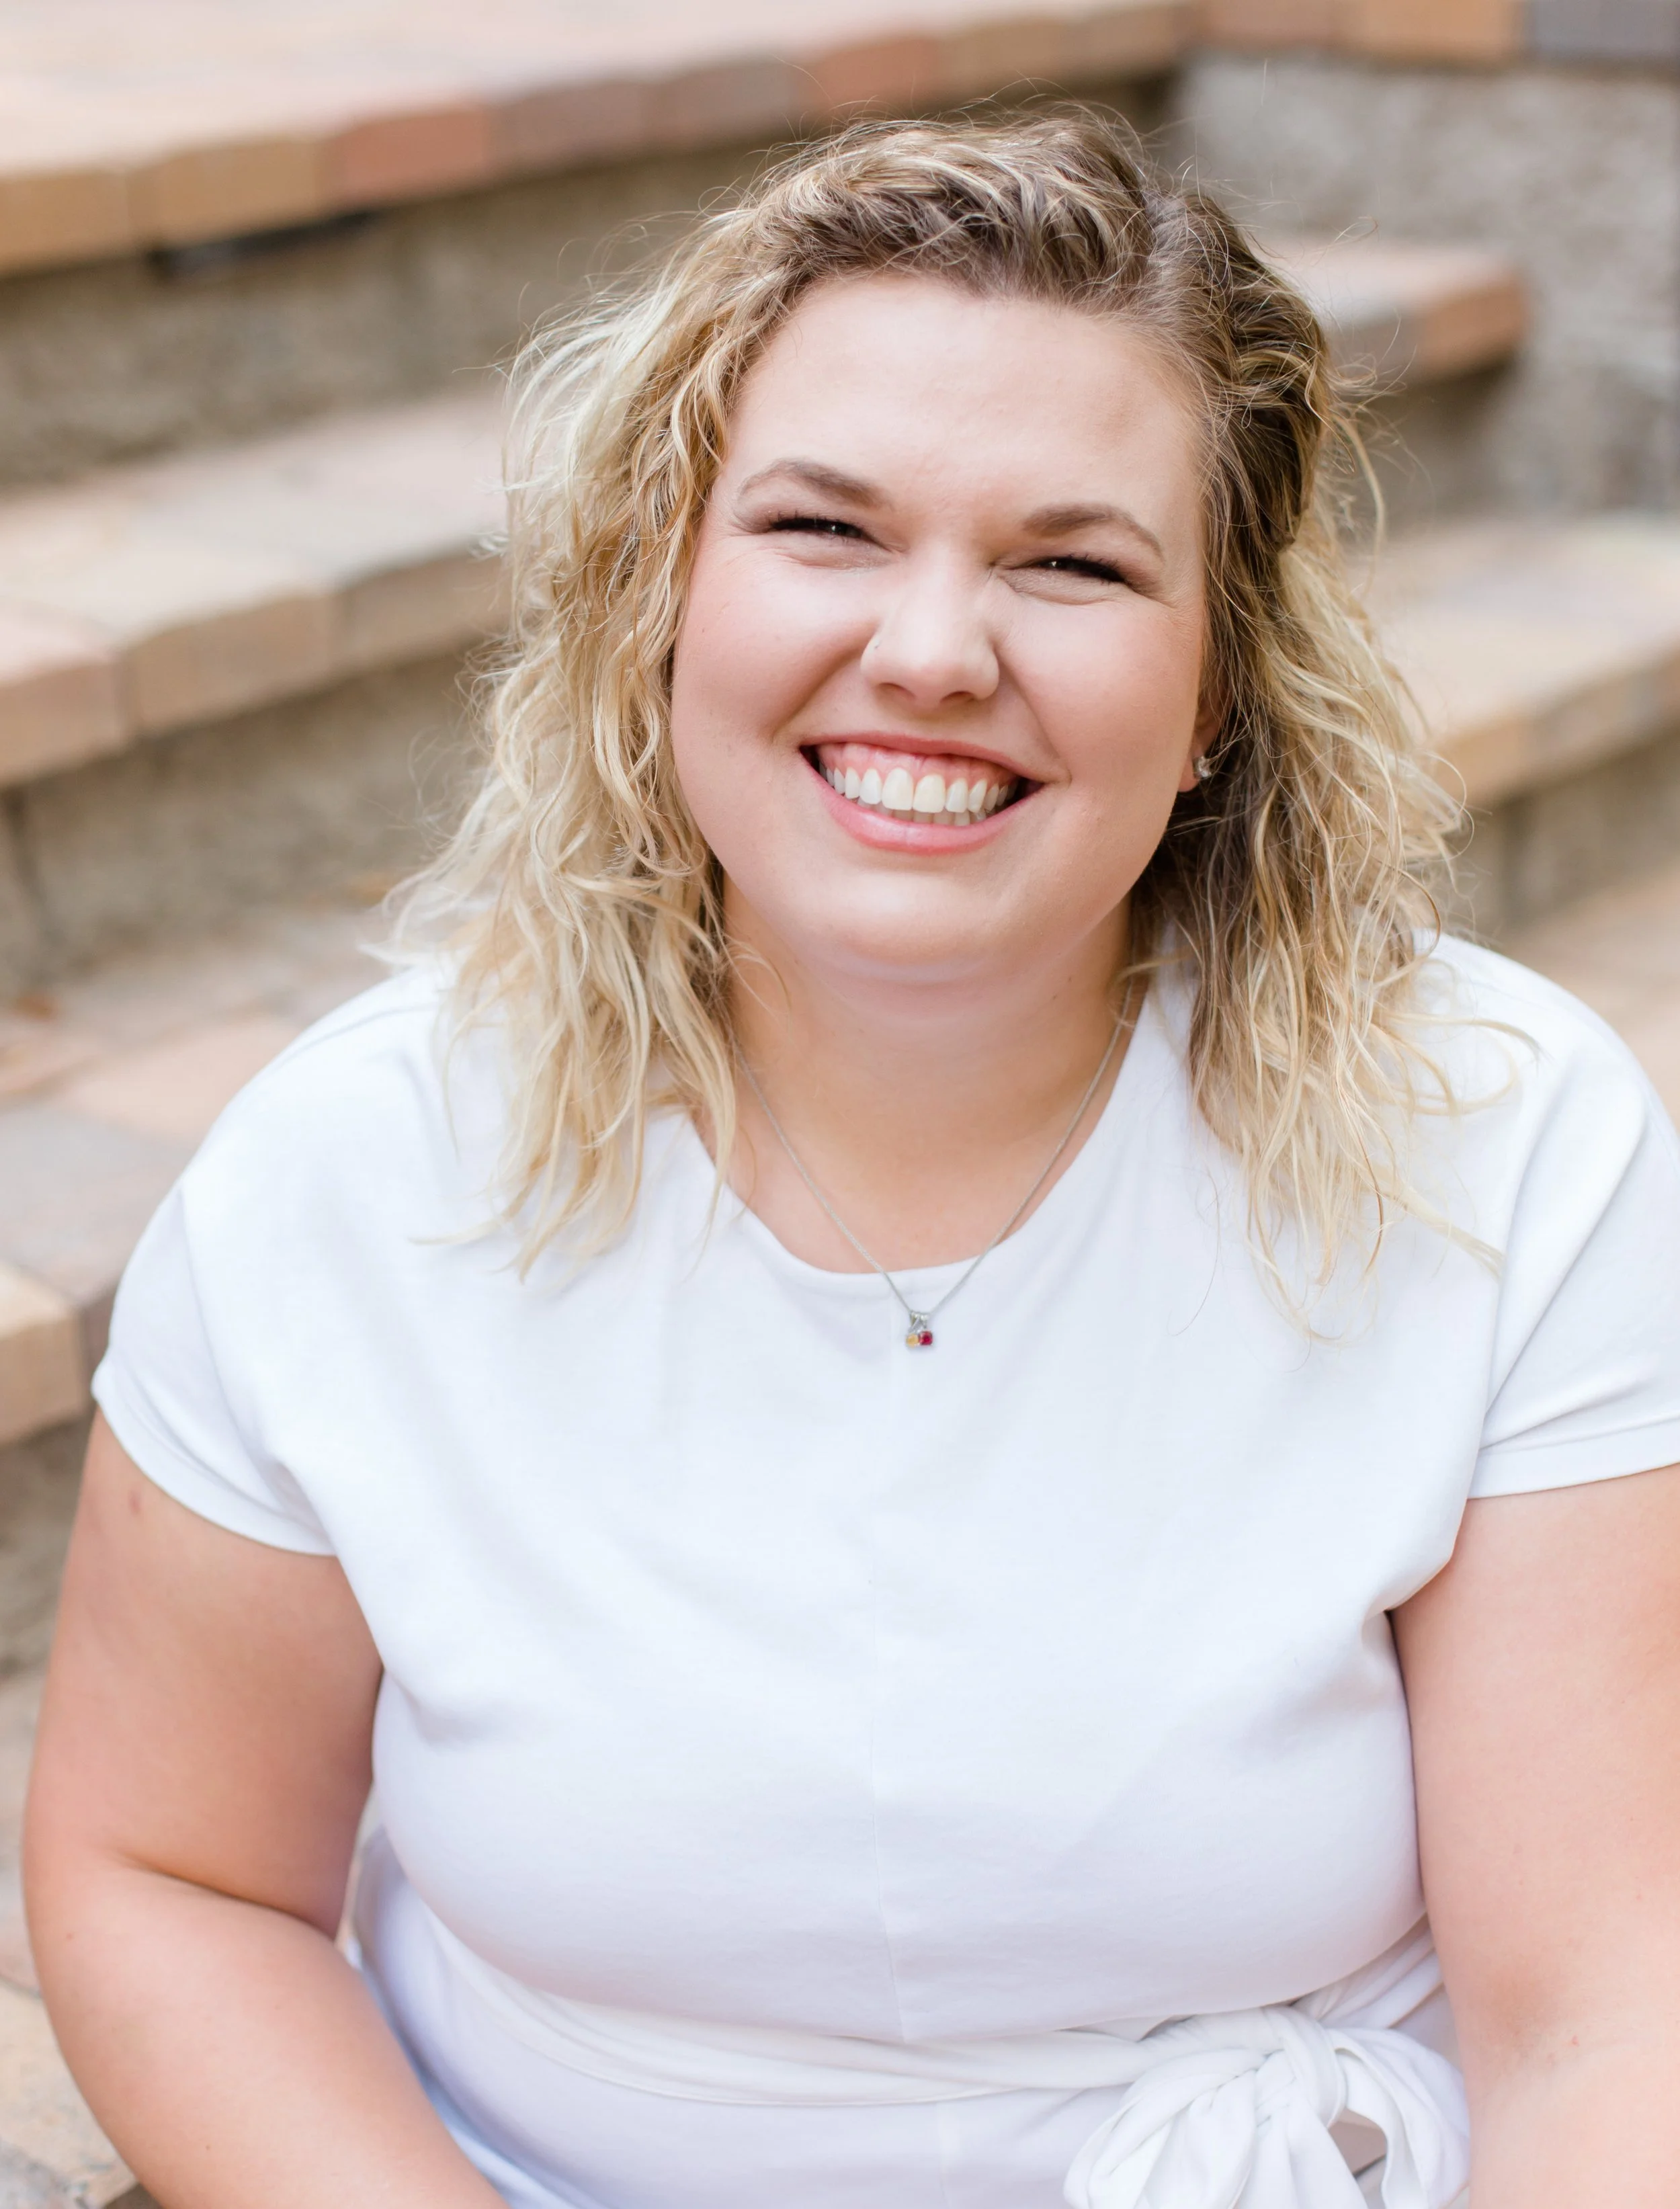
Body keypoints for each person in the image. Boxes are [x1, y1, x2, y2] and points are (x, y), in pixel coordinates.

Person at [23, 111, 1680, 2209]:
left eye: (1070, 562)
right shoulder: (350, 1179)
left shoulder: (1502, 1147)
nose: (930, 650)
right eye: (823, 529)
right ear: (662, 595)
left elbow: (1602, 2011)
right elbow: (175, 1877)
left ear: (1214, 697)